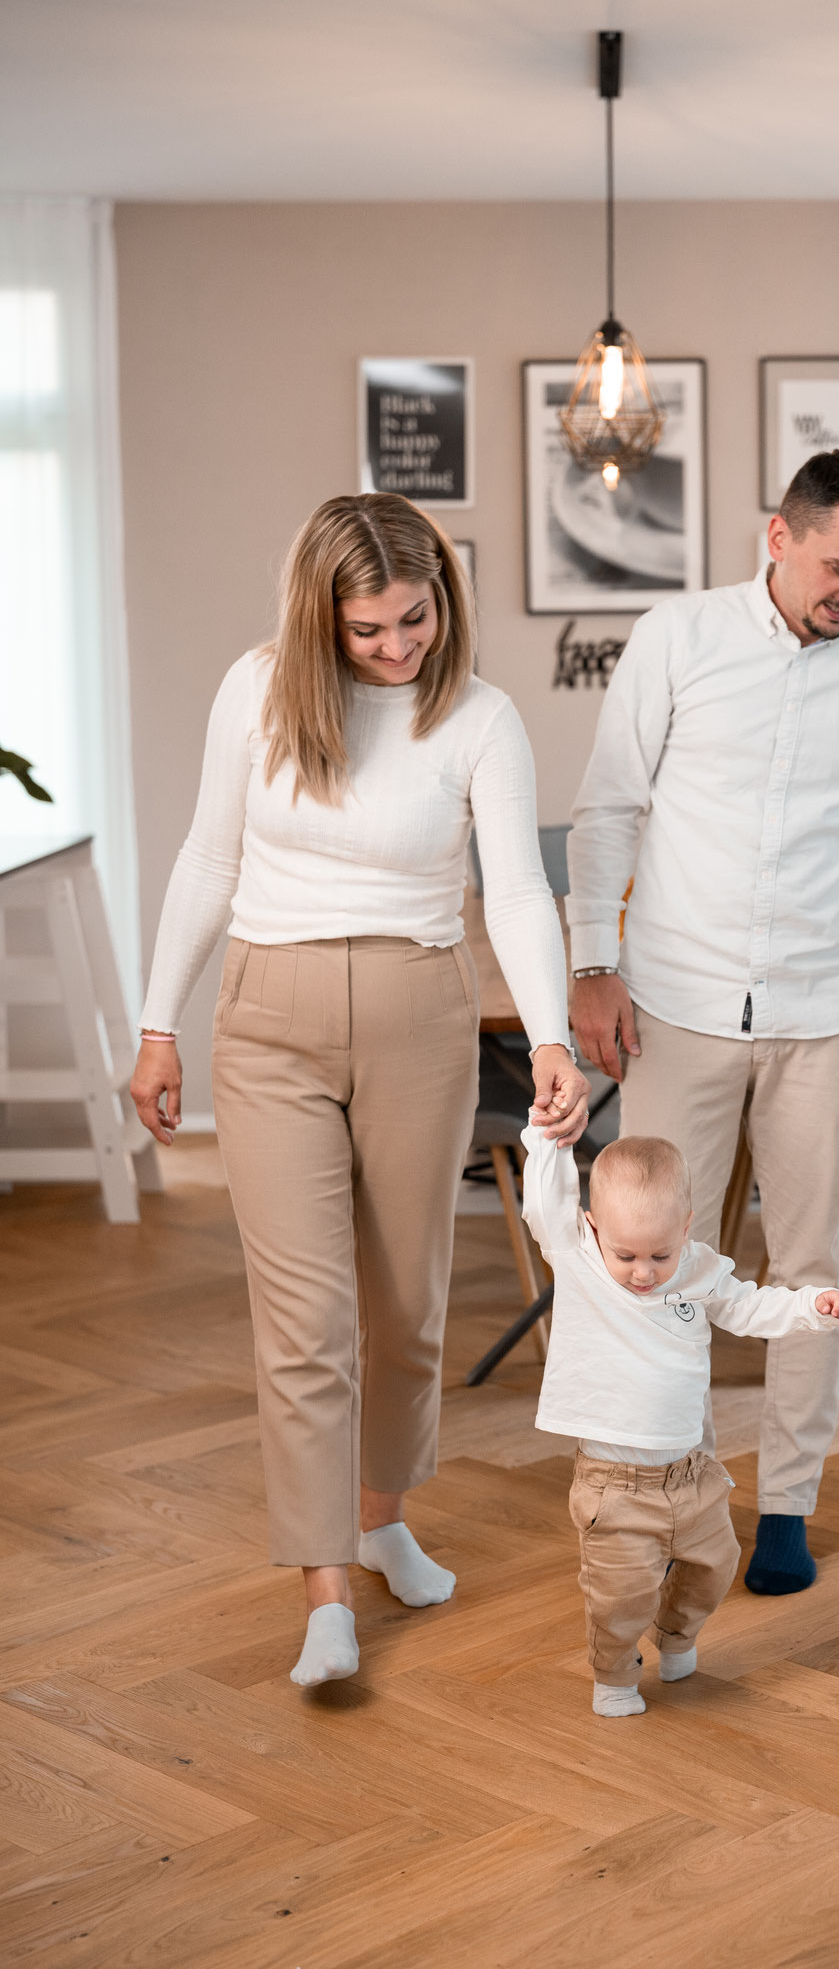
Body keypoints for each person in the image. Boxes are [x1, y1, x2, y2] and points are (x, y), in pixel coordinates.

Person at [130, 493, 588, 1689]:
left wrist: (550, 1037)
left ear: (443, 597)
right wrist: (153, 1022)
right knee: (307, 1319)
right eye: (368, 630)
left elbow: (519, 892)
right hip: (267, 1016)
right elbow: (208, 856)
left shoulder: (479, 716)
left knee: (406, 1300)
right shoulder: (259, 689)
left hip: (419, 1014)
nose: (397, 650)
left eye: (415, 619)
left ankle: (382, 1516)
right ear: (318, 617)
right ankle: (324, 1583)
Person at [567, 447, 839, 1595]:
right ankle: (652, 1478)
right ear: (776, 538)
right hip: (675, 1003)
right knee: (654, 1256)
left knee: (815, 1261)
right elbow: (608, 809)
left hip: (825, 1011)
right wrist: (592, 962)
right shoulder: (676, 638)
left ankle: (787, 1504)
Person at [520, 1125, 839, 1715]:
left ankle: (677, 1636)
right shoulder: (577, 1258)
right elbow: (544, 1204)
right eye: (625, 1254)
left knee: (715, 1566)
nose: (644, 1272)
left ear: (686, 1227)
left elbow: (752, 1305)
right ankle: (615, 1677)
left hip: (691, 1473)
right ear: (593, 1227)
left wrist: (814, 1305)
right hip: (615, 1484)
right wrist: (548, 1140)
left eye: (661, 1254)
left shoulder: (698, 1269)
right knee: (620, 1594)